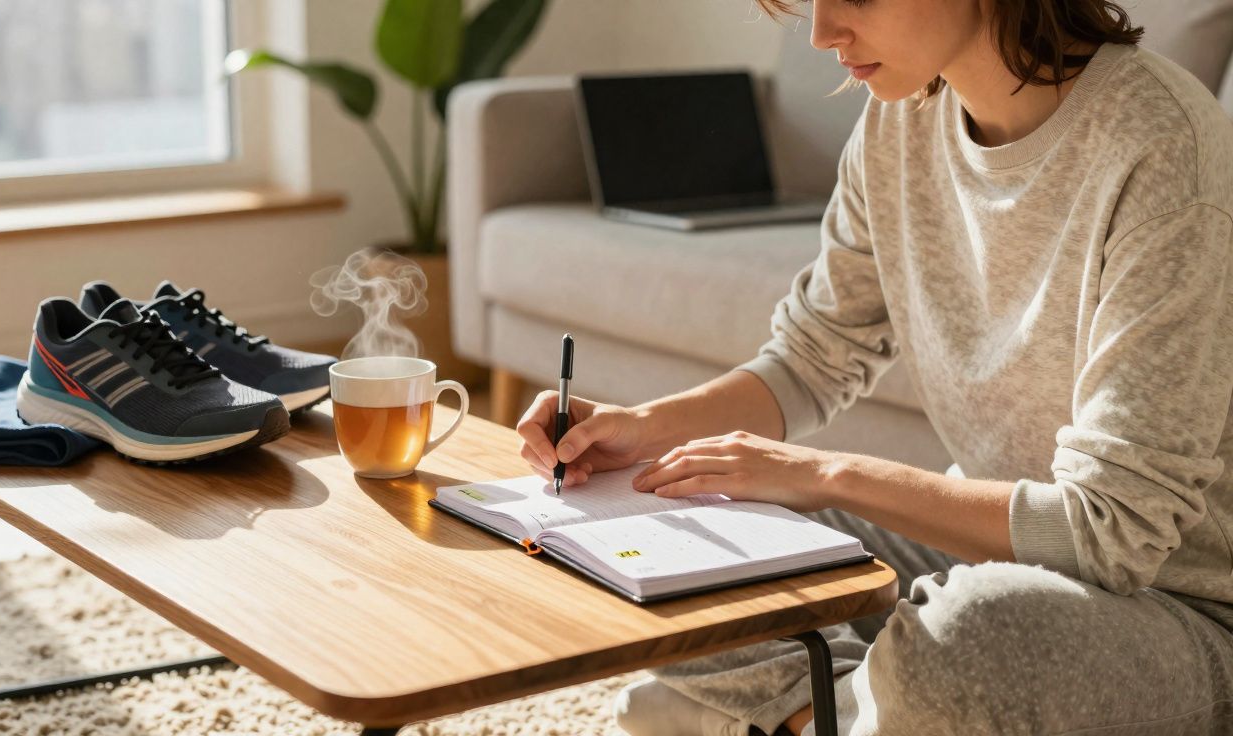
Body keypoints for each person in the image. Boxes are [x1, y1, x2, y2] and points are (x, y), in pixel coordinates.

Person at [515, 0, 1233, 733]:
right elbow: (811, 357)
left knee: (970, 638)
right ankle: (849, 714)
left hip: (1180, 608)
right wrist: (642, 429)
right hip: (977, 547)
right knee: (680, 535)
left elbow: (1114, 531)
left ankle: (776, 712)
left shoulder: (1162, 145)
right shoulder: (899, 123)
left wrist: (827, 474)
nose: (823, 33)